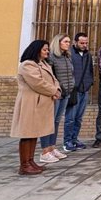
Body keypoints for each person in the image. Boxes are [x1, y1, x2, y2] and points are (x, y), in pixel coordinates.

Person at [11, 40, 61, 175]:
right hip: (30, 103)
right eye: (44, 49)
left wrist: (57, 88)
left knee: (34, 133)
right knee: (27, 133)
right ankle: (24, 165)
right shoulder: (27, 65)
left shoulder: (43, 64)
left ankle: (31, 160)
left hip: (39, 103)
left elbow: (53, 79)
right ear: (37, 50)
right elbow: (37, 83)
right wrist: (53, 91)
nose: (47, 52)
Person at [39, 34, 73, 163]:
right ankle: (45, 151)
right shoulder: (51, 57)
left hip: (66, 93)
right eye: (65, 41)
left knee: (56, 121)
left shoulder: (67, 57)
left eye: (69, 42)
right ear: (57, 43)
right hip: (55, 94)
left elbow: (71, 73)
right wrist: (55, 90)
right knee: (49, 122)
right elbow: (49, 76)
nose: (68, 44)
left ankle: (52, 147)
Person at [64, 32, 94, 152]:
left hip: (84, 89)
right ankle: (67, 141)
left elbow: (91, 70)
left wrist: (89, 83)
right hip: (73, 90)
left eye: (86, 43)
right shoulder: (69, 54)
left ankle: (74, 139)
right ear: (75, 42)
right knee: (70, 118)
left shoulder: (88, 55)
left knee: (79, 118)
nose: (84, 45)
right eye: (82, 43)